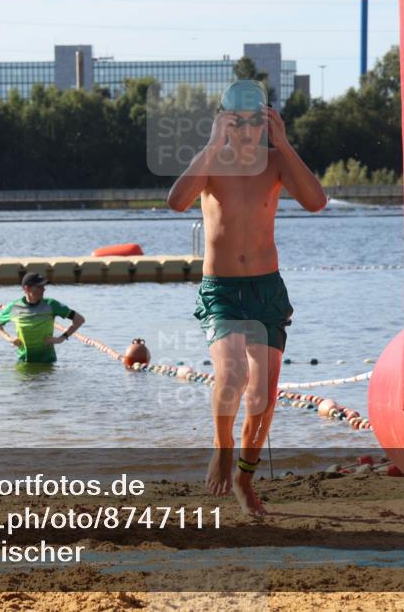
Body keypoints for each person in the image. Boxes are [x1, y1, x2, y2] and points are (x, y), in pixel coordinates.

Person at [167, 80, 327, 516]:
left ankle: (244, 476)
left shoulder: (275, 163)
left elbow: (316, 201)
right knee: (233, 371)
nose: (247, 131)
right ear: (223, 123)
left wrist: (285, 145)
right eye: (236, 123)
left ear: (267, 123)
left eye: (256, 122)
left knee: (264, 393)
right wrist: (210, 145)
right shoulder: (211, 162)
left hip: (266, 289)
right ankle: (222, 447)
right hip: (221, 290)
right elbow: (176, 201)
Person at [0, 272, 85, 363]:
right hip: (24, 362)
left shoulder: (51, 304)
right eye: (39, 286)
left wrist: (61, 339)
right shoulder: (15, 307)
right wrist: (9, 338)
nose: (44, 289)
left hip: (48, 362)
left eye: (43, 286)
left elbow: (79, 320)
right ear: (27, 288)